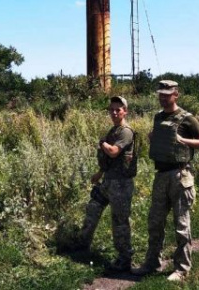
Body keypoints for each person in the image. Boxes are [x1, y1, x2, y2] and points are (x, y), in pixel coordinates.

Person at [133, 80, 199, 283]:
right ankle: (152, 263)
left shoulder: (187, 119)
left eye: (167, 94)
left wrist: (184, 141)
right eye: (160, 94)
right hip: (161, 175)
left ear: (176, 95)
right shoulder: (158, 117)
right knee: (154, 222)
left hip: (179, 176)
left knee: (181, 224)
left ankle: (182, 268)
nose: (163, 97)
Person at [75, 95, 137, 271]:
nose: (114, 112)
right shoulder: (113, 130)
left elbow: (113, 152)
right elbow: (108, 160)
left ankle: (124, 259)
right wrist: (99, 173)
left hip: (121, 185)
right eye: (112, 109)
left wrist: (102, 142)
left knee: (119, 222)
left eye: (118, 109)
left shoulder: (125, 132)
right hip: (108, 182)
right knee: (93, 208)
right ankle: (82, 244)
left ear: (125, 111)